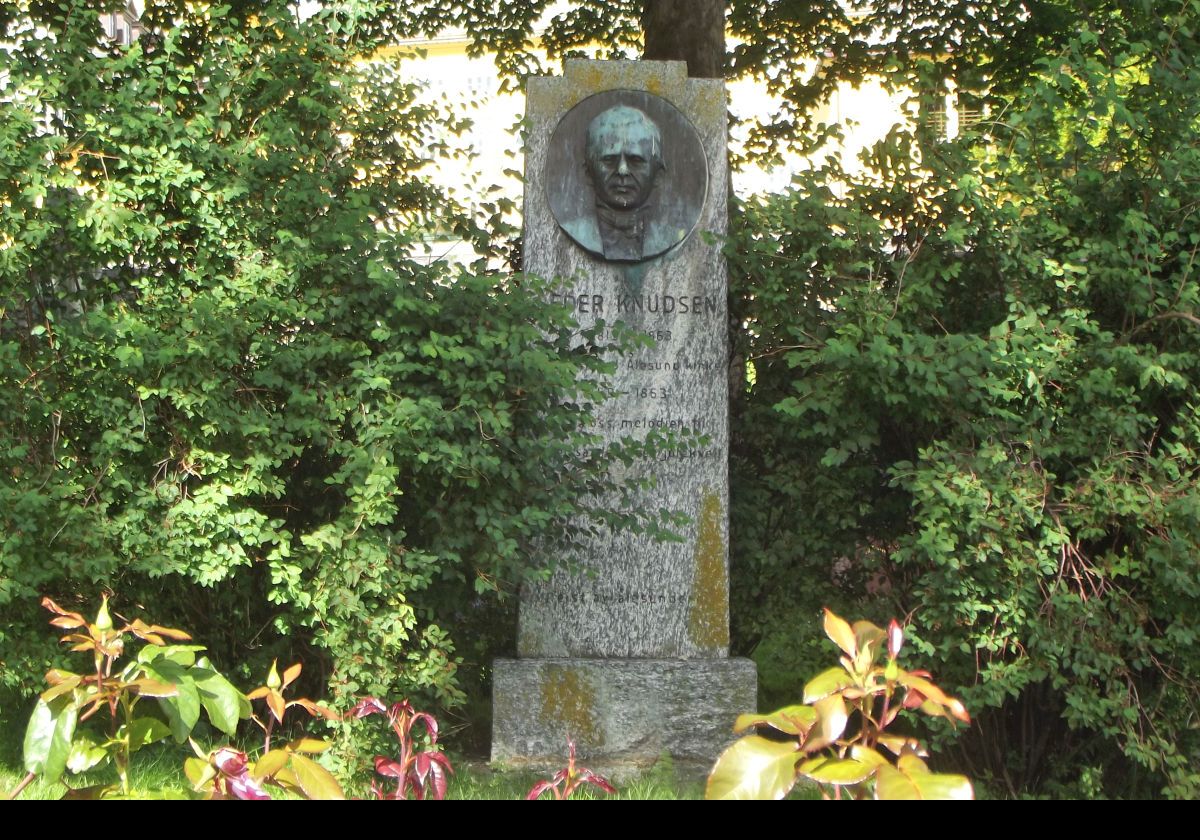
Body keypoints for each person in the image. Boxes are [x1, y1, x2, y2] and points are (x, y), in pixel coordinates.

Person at [560, 105, 684, 262]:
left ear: (658, 174)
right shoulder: (574, 229)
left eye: (636, 160)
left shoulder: (672, 236)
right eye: (609, 160)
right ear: (588, 173)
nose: (622, 170)